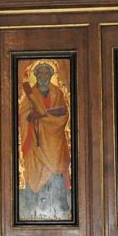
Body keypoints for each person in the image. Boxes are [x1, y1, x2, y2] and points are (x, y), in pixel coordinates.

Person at [18, 62, 71, 219]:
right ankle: (32, 208)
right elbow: (22, 115)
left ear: (50, 76)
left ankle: (60, 206)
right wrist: (30, 117)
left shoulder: (57, 93)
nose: (43, 77)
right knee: (34, 171)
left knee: (56, 169)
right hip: (35, 141)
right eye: (39, 74)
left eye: (46, 74)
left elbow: (63, 114)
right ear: (35, 76)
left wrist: (44, 116)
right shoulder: (30, 95)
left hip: (54, 140)